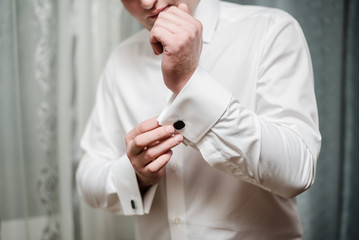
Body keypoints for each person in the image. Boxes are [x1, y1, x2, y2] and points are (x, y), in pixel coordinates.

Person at [76, 0, 322, 239]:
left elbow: (297, 172)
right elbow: (88, 179)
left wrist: (189, 83)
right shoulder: (121, 60)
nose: (148, 2)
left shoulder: (271, 30)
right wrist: (136, 176)